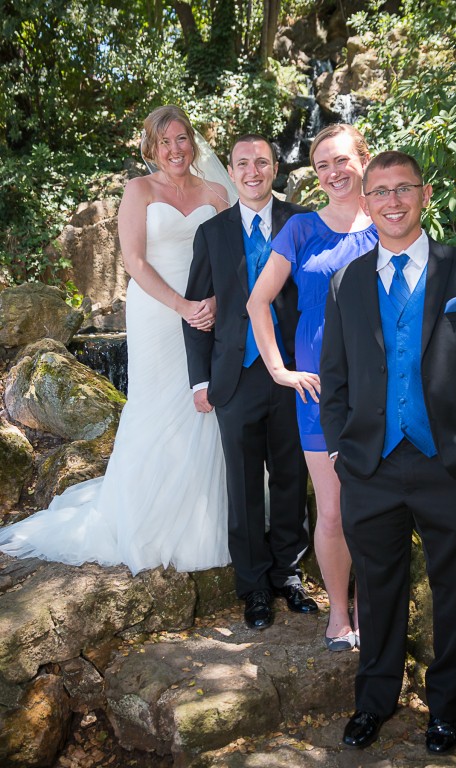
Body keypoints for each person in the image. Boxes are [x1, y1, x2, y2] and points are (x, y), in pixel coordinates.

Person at [319, 151, 456, 753]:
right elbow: (336, 374)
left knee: (455, 592)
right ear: (367, 202)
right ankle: (374, 701)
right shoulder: (347, 281)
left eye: (403, 189)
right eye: (380, 192)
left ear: (425, 195)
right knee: (376, 591)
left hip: (450, 463)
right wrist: (341, 450)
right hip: (370, 465)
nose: (392, 202)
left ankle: (447, 709)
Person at [0, 105, 232, 572]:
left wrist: (215, 306)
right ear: (150, 148)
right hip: (158, 311)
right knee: (159, 406)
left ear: (194, 141)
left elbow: (233, 259)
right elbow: (135, 262)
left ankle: (207, 520)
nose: (174, 150)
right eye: (163, 142)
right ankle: (148, 518)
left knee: (207, 408)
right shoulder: (139, 191)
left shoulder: (217, 193)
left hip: (209, 311)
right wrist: (183, 306)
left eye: (181, 139)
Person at [246, 124, 378, 650]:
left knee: (377, 507)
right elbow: (258, 303)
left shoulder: (390, 221)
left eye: (341, 161)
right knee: (331, 509)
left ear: (363, 160)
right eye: (322, 165)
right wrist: (280, 370)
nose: (332, 173)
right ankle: (339, 615)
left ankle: (378, 613)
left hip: (380, 387)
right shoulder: (300, 230)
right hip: (318, 391)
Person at [183, 134, 316, 630]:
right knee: (241, 483)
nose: (252, 170)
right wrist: (199, 381)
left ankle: (288, 574)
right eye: (243, 163)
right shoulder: (212, 233)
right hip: (233, 378)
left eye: (262, 161)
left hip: (293, 374)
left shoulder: (303, 223)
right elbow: (197, 312)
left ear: (275, 168)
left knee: (290, 477)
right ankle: (254, 586)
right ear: (232, 172)